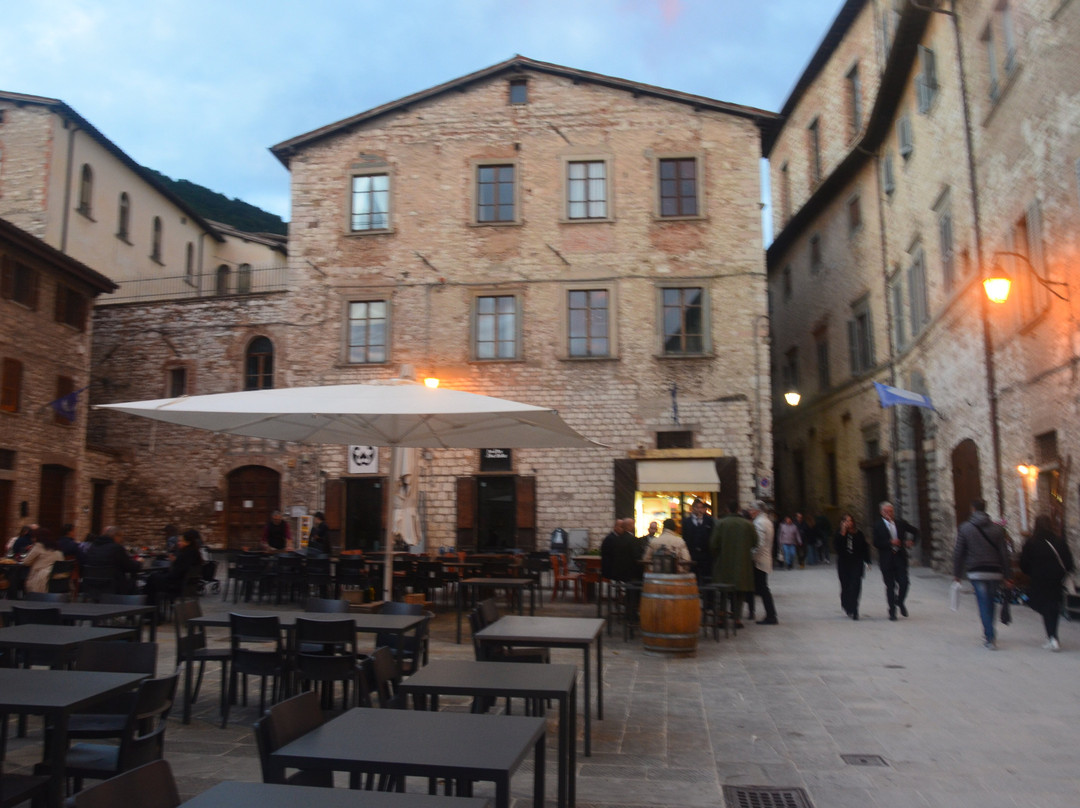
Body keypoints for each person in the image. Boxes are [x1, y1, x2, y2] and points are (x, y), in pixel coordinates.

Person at [953, 499, 1012, 650]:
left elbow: (958, 552)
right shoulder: (997, 529)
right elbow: (1004, 554)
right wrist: (1008, 575)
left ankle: (989, 635)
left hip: (976, 571)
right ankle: (990, 632)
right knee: (991, 601)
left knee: (982, 602)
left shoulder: (965, 528)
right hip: (994, 571)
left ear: (972, 509)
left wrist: (957, 573)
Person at [1019, 514, 1074, 651]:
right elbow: (1069, 562)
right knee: (1053, 607)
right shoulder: (1059, 541)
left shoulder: (1031, 543)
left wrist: (1031, 572)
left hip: (1039, 580)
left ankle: (1052, 637)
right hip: (1056, 579)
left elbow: (1024, 563)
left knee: (1045, 607)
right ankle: (1053, 636)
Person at [710, 502, 757, 627]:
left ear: (727, 509)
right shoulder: (748, 525)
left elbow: (713, 544)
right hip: (742, 563)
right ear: (738, 509)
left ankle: (721, 618)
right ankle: (737, 619)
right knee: (739, 593)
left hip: (723, 563)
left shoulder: (721, 524)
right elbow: (755, 542)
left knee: (723, 592)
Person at [871, 501, 919, 620]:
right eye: (886, 511)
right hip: (886, 560)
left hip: (900, 558)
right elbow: (875, 543)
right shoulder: (878, 525)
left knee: (904, 582)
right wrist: (889, 542)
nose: (889, 514)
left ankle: (900, 601)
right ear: (881, 513)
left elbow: (916, 532)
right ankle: (892, 611)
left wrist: (912, 542)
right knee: (890, 586)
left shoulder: (900, 523)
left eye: (891, 511)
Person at [143, 528, 203, 606]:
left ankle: (150, 610)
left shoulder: (185, 554)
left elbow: (175, 574)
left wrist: (172, 566)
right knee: (154, 578)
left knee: (151, 579)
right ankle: (153, 610)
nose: (178, 543)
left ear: (188, 542)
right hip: (187, 585)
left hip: (176, 585)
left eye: (181, 541)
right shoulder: (195, 553)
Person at [82, 526, 142, 594]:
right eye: (121, 537)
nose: (122, 540)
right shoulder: (116, 548)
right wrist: (139, 562)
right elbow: (129, 566)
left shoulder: (93, 547)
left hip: (91, 585)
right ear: (116, 536)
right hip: (111, 587)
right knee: (134, 581)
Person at [834, 513, 871, 620]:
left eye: (850, 520)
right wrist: (843, 533)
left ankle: (855, 608)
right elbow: (837, 547)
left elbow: (865, 547)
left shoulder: (858, 533)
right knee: (846, 586)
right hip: (844, 563)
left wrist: (867, 561)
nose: (848, 523)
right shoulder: (839, 534)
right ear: (842, 522)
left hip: (856, 562)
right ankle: (846, 604)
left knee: (855, 585)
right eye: (846, 521)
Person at [748, 500, 779, 625]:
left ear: (757, 510)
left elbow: (759, 544)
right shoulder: (767, 521)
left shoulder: (759, 523)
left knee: (762, 589)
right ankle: (771, 614)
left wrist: (751, 556)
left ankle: (771, 615)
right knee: (762, 588)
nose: (750, 511)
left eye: (751, 509)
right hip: (765, 558)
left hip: (759, 561)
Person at [21, 527, 65, 593]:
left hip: (44, 579)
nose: (33, 539)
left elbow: (26, 562)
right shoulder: (57, 547)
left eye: (34, 537)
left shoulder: (38, 546)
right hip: (60, 579)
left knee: (21, 574)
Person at [682, 498, 714, 584]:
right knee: (693, 577)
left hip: (705, 555)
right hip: (692, 554)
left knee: (706, 577)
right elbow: (685, 537)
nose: (699, 510)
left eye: (701, 507)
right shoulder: (686, 522)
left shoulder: (709, 520)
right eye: (697, 507)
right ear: (692, 508)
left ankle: (707, 596)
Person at [601, 518, 642, 582]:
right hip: (626, 572)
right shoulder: (632, 539)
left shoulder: (617, 538)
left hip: (617, 571)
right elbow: (635, 555)